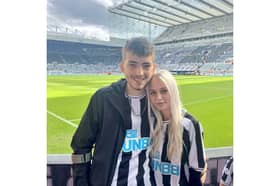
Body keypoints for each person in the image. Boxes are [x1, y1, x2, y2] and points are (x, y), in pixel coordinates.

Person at [71, 37, 156, 186]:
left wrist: (199, 162)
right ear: (122, 67)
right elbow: (81, 146)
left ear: (153, 68)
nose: (140, 72)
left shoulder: (158, 100)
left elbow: (183, 124)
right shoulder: (103, 99)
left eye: (146, 65)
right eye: (133, 64)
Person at [146, 69, 207, 186]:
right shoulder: (149, 123)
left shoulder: (190, 125)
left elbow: (196, 172)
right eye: (153, 92)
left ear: (173, 91)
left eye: (164, 91)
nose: (158, 97)